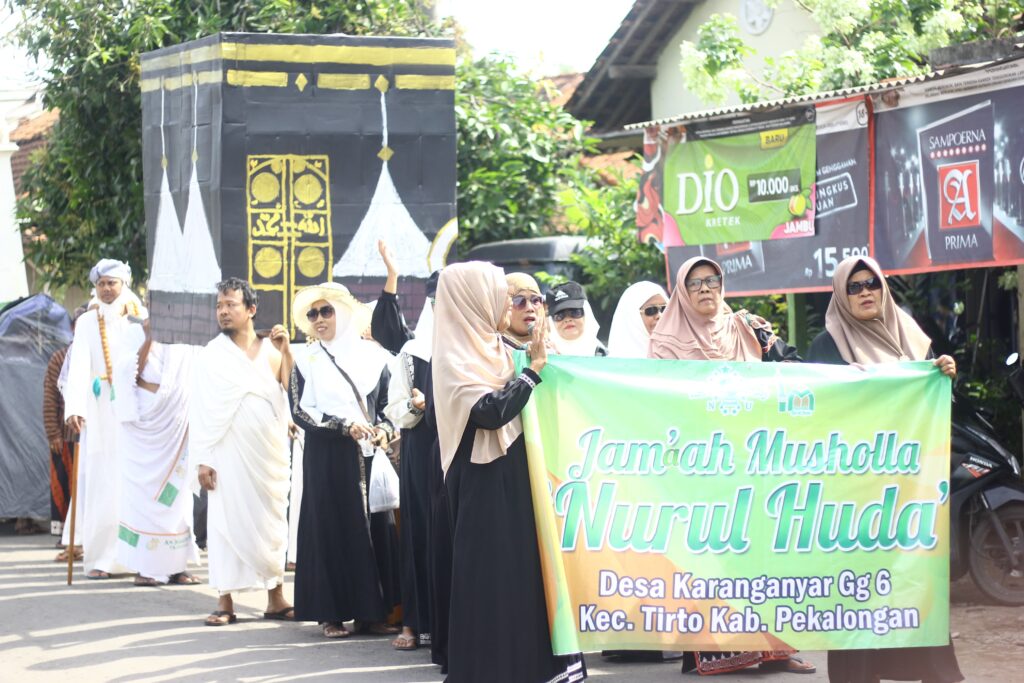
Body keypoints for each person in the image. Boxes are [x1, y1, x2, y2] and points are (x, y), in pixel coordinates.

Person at [649, 257, 812, 676]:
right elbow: (658, 403)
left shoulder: (747, 327)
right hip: (700, 465)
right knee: (713, 556)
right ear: (683, 291)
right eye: (696, 282)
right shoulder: (666, 342)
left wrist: (770, 346)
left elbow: (791, 371)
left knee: (764, 554)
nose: (706, 289)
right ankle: (715, 651)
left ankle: (777, 650)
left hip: (755, 458)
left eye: (712, 280)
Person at [807, 256, 962, 683]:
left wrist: (944, 377)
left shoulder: (913, 340)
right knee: (856, 598)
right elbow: (816, 411)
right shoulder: (827, 346)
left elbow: (931, 411)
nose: (864, 293)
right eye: (853, 287)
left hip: (909, 494)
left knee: (913, 586)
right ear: (841, 294)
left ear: (883, 287)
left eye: (871, 283)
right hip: (853, 499)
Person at [433, 262, 586, 683]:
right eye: (500, 294)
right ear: (473, 300)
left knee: (524, 577)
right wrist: (533, 371)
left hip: (514, 478)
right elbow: (487, 413)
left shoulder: (496, 347)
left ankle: (534, 669)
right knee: (491, 582)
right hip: (482, 487)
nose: (507, 302)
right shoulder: (454, 354)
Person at [287, 281, 400, 639]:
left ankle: (372, 613)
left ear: (345, 313)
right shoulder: (305, 360)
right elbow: (300, 411)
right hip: (327, 457)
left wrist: (383, 429)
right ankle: (330, 613)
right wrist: (341, 426)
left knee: (374, 532)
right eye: (312, 313)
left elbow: (388, 404)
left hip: (369, 454)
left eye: (326, 311)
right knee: (331, 530)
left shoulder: (375, 358)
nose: (318, 319)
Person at [190, 278, 294, 626]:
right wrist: (203, 458)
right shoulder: (211, 355)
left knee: (271, 521)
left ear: (250, 309)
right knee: (224, 523)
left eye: (230, 304)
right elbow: (201, 410)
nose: (223, 311)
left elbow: (288, 388)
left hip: (269, 456)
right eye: (219, 306)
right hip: (227, 455)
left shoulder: (271, 349)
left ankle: (276, 598)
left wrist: (288, 350)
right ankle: (224, 602)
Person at [63, 259, 147, 579]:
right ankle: (102, 559)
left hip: (135, 409)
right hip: (99, 410)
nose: (107, 288)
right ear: (95, 287)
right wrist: (75, 408)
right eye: (102, 284)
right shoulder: (86, 322)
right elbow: (79, 365)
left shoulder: (141, 318)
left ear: (124, 284)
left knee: (133, 481)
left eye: (112, 283)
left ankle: (140, 558)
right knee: (101, 481)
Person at [111, 314, 200, 586]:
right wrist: (150, 335)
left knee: (178, 496)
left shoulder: (186, 332)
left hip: (175, 426)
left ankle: (176, 567)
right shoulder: (133, 331)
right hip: (144, 428)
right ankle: (146, 568)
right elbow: (126, 374)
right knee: (143, 497)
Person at [384, 269, 440, 651]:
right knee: (420, 533)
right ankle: (414, 622)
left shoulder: (481, 344)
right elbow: (394, 407)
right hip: (423, 452)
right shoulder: (413, 352)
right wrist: (418, 406)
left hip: (465, 451)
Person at [607, 281, 668, 358]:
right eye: (651, 310)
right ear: (633, 316)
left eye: (664, 309)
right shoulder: (618, 362)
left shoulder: (677, 355)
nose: (660, 315)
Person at [546, 281, 606, 356]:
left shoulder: (603, 355)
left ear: (587, 314)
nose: (567, 319)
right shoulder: (543, 355)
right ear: (551, 321)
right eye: (559, 316)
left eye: (575, 312)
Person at [503, 272, 545, 349]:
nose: (530, 308)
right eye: (519, 301)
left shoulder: (552, 348)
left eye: (535, 300)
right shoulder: (493, 351)